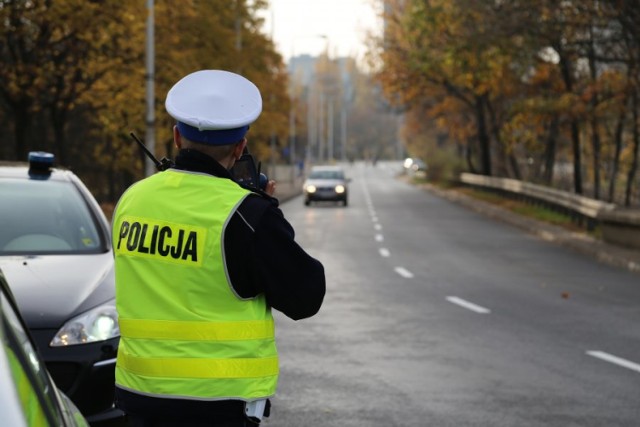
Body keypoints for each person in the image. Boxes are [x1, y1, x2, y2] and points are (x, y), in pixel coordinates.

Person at [111, 69, 326, 427]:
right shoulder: (248, 215)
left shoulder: (131, 200)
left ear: (177, 138)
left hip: (139, 399)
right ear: (241, 147)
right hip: (219, 405)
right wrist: (266, 215)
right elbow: (306, 297)